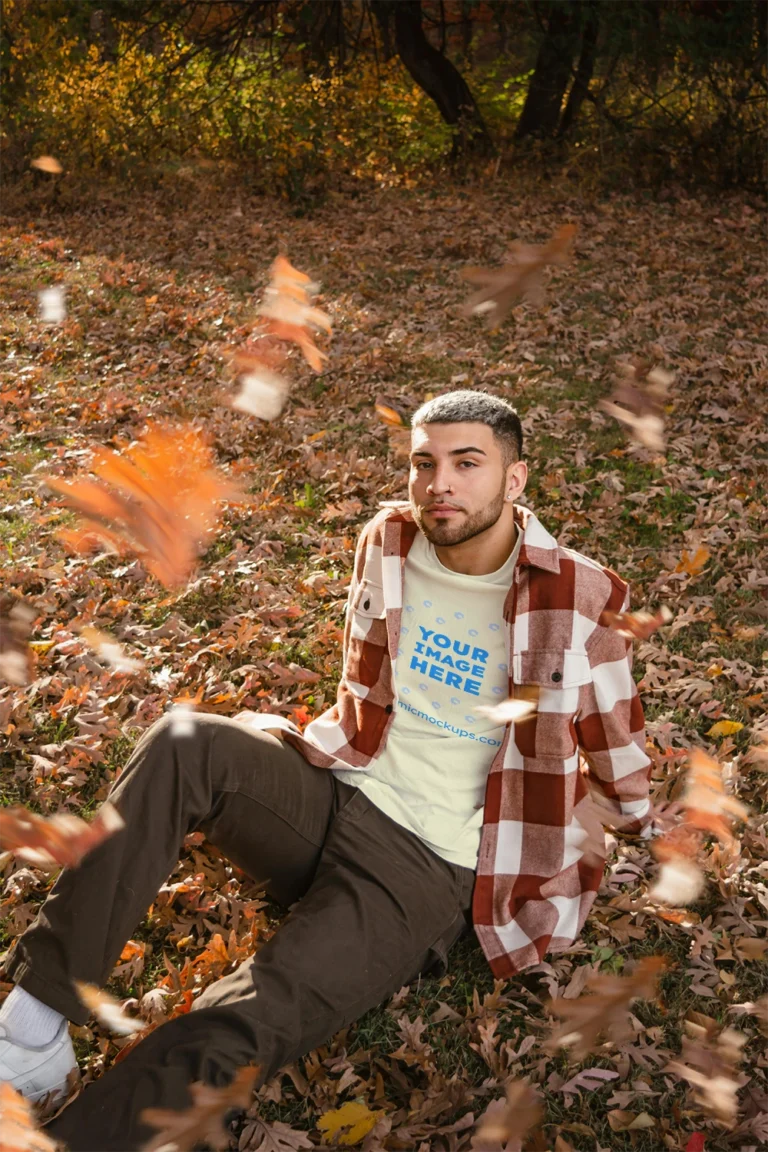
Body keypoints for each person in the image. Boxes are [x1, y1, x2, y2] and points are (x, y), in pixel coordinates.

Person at [0, 390, 652, 1149]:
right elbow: (364, 689)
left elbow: (623, 773)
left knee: (245, 1013)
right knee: (185, 740)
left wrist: (561, 856)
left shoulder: (578, 597)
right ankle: (33, 1025)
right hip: (338, 788)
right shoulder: (389, 540)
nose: (439, 482)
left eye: (466, 464)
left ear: (514, 481)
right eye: (424, 463)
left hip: (426, 866)